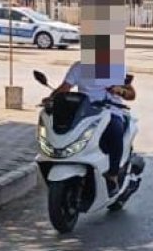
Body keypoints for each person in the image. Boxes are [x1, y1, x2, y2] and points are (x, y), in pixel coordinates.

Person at [52, 62, 137, 194]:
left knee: (115, 131)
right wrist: (51, 99)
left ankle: (113, 175)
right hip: (85, 111)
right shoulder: (79, 67)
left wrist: (120, 91)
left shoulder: (116, 68)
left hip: (111, 111)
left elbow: (131, 95)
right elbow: (65, 88)